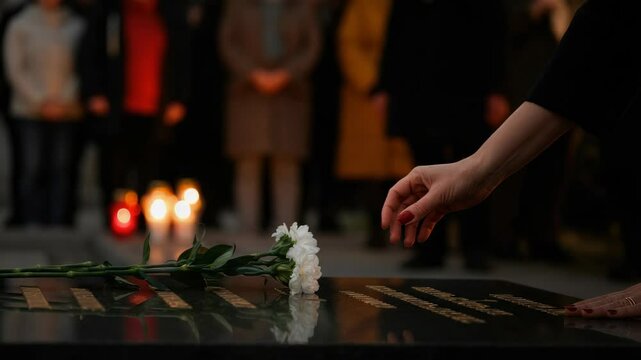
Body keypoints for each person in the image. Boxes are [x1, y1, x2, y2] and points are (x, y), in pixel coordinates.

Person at [381, 0, 641, 318]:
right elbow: (601, 33)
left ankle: (479, 245)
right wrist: (479, 169)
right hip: (426, 86)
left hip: (470, 87)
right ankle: (433, 250)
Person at [373, 0, 508, 269]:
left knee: (473, 165)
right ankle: (428, 248)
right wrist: (384, 86)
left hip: (469, 83)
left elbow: (496, 31)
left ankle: (476, 246)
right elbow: (397, 29)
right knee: (422, 167)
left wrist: (498, 88)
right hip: (418, 84)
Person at [219, 0, 320, 233]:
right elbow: (228, 42)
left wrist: (288, 73)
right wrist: (252, 73)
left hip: (289, 95)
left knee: (287, 166)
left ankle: (286, 237)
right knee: (247, 165)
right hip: (247, 94)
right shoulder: (238, 6)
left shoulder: (301, 6)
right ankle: (246, 235)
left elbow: (312, 45)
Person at [4, 0, 85, 226]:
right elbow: (15, 69)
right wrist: (41, 101)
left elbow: (82, 67)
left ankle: (59, 219)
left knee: (62, 166)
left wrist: (65, 99)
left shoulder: (76, 25)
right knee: (31, 166)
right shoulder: (20, 25)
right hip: (28, 109)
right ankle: (30, 219)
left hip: (67, 109)